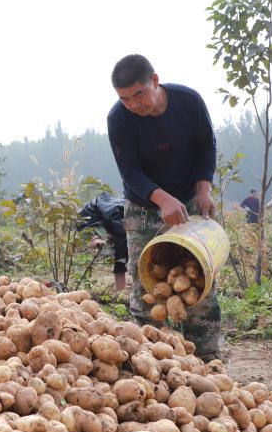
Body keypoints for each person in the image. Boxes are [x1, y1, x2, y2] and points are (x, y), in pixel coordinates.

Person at [106, 54, 222, 360]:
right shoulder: (118, 119)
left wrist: (203, 188)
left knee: (199, 273)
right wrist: (161, 198)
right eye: (125, 99)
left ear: (154, 81)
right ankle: (147, 353)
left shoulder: (188, 102)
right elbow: (129, 170)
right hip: (143, 205)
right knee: (144, 279)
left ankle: (206, 354)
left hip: (188, 199)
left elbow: (206, 145)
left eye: (138, 95)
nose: (133, 104)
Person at [78, 192, 128, 291]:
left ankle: (121, 291)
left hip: (115, 215)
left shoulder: (121, 229)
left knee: (121, 258)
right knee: (120, 258)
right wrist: (96, 240)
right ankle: (121, 291)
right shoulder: (113, 226)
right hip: (97, 216)